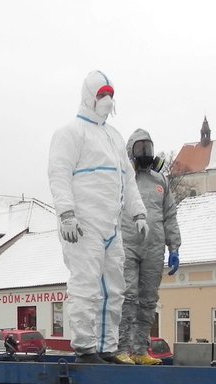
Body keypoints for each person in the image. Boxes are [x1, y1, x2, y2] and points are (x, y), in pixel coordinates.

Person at [48, 70, 147, 365]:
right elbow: (59, 174)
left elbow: (128, 179)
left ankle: (107, 346)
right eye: (101, 94)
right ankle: (85, 347)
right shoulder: (71, 133)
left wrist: (138, 211)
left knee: (115, 288)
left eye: (110, 95)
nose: (106, 100)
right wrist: (66, 214)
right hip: (84, 224)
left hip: (111, 226)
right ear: (89, 96)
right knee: (86, 286)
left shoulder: (114, 137)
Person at [116, 129, 181, 366]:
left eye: (148, 148)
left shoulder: (160, 181)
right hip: (127, 245)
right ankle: (121, 348)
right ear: (131, 151)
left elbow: (170, 215)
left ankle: (139, 349)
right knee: (128, 297)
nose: (145, 153)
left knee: (148, 300)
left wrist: (174, 247)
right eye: (140, 148)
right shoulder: (122, 179)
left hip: (154, 247)